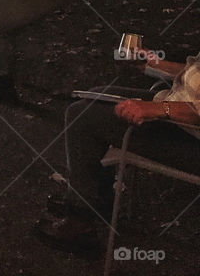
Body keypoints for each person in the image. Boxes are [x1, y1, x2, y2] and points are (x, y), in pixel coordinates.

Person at [35, 46, 200, 256]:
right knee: (97, 95)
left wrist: (159, 109)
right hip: (177, 108)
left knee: (82, 117)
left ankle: (80, 223)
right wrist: (151, 63)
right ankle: (96, 197)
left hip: (190, 136)